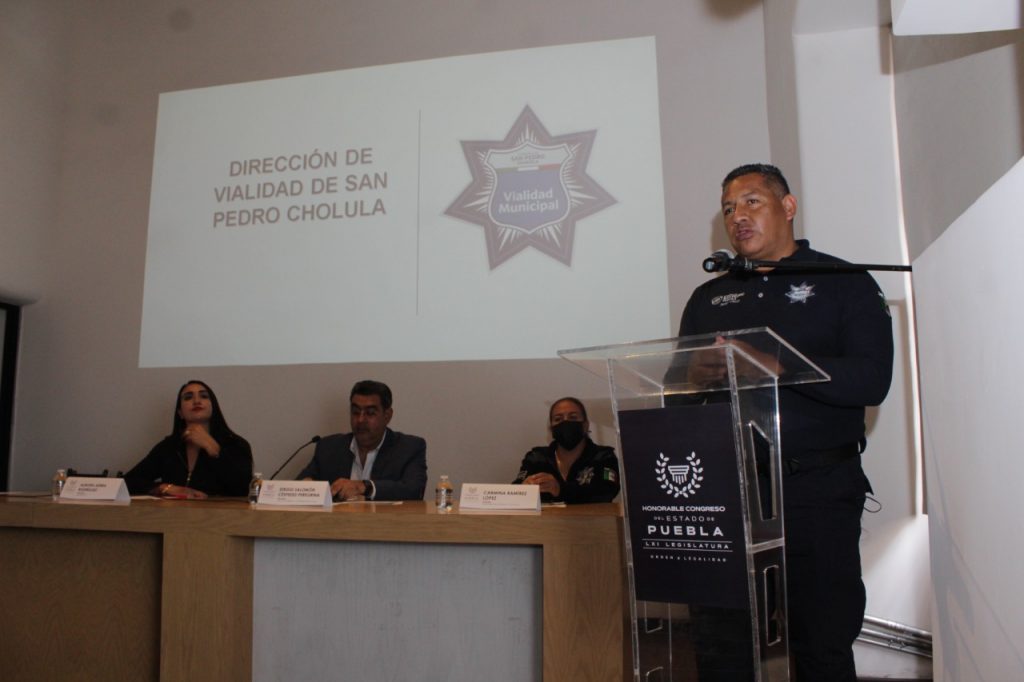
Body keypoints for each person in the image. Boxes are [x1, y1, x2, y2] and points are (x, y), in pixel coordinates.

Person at [679, 163, 894, 680]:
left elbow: (872, 380)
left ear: (788, 206)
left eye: (751, 201)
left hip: (815, 492)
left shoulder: (842, 281)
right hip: (728, 495)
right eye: (728, 208)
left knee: (822, 644)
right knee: (722, 648)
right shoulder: (708, 298)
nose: (737, 216)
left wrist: (779, 364)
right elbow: (674, 392)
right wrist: (695, 375)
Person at [298, 380, 427, 501]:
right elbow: (300, 484)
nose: (360, 420)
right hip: (336, 518)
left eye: (370, 413)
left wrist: (364, 487)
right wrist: (306, 487)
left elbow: (415, 490)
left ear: (387, 416)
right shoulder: (328, 447)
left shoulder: (409, 448)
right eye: (355, 412)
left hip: (385, 518)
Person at [125, 380, 253, 498]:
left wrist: (214, 449)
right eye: (188, 397)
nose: (196, 401)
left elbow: (244, 489)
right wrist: (165, 488)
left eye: (203, 396)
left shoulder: (236, 444)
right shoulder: (168, 447)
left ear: (213, 408)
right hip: (173, 514)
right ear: (180, 412)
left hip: (219, 514)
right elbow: (127, 482)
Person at [512, 397, 620, 504]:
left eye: (573, 417)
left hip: (592, 516)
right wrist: (523, 489)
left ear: (585, 425)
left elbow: (607, 491)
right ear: (551, 429)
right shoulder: (536, 457)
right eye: (558, 419)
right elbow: (515, 491)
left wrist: (560, 489)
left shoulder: (603, 456)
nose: (565, 422)